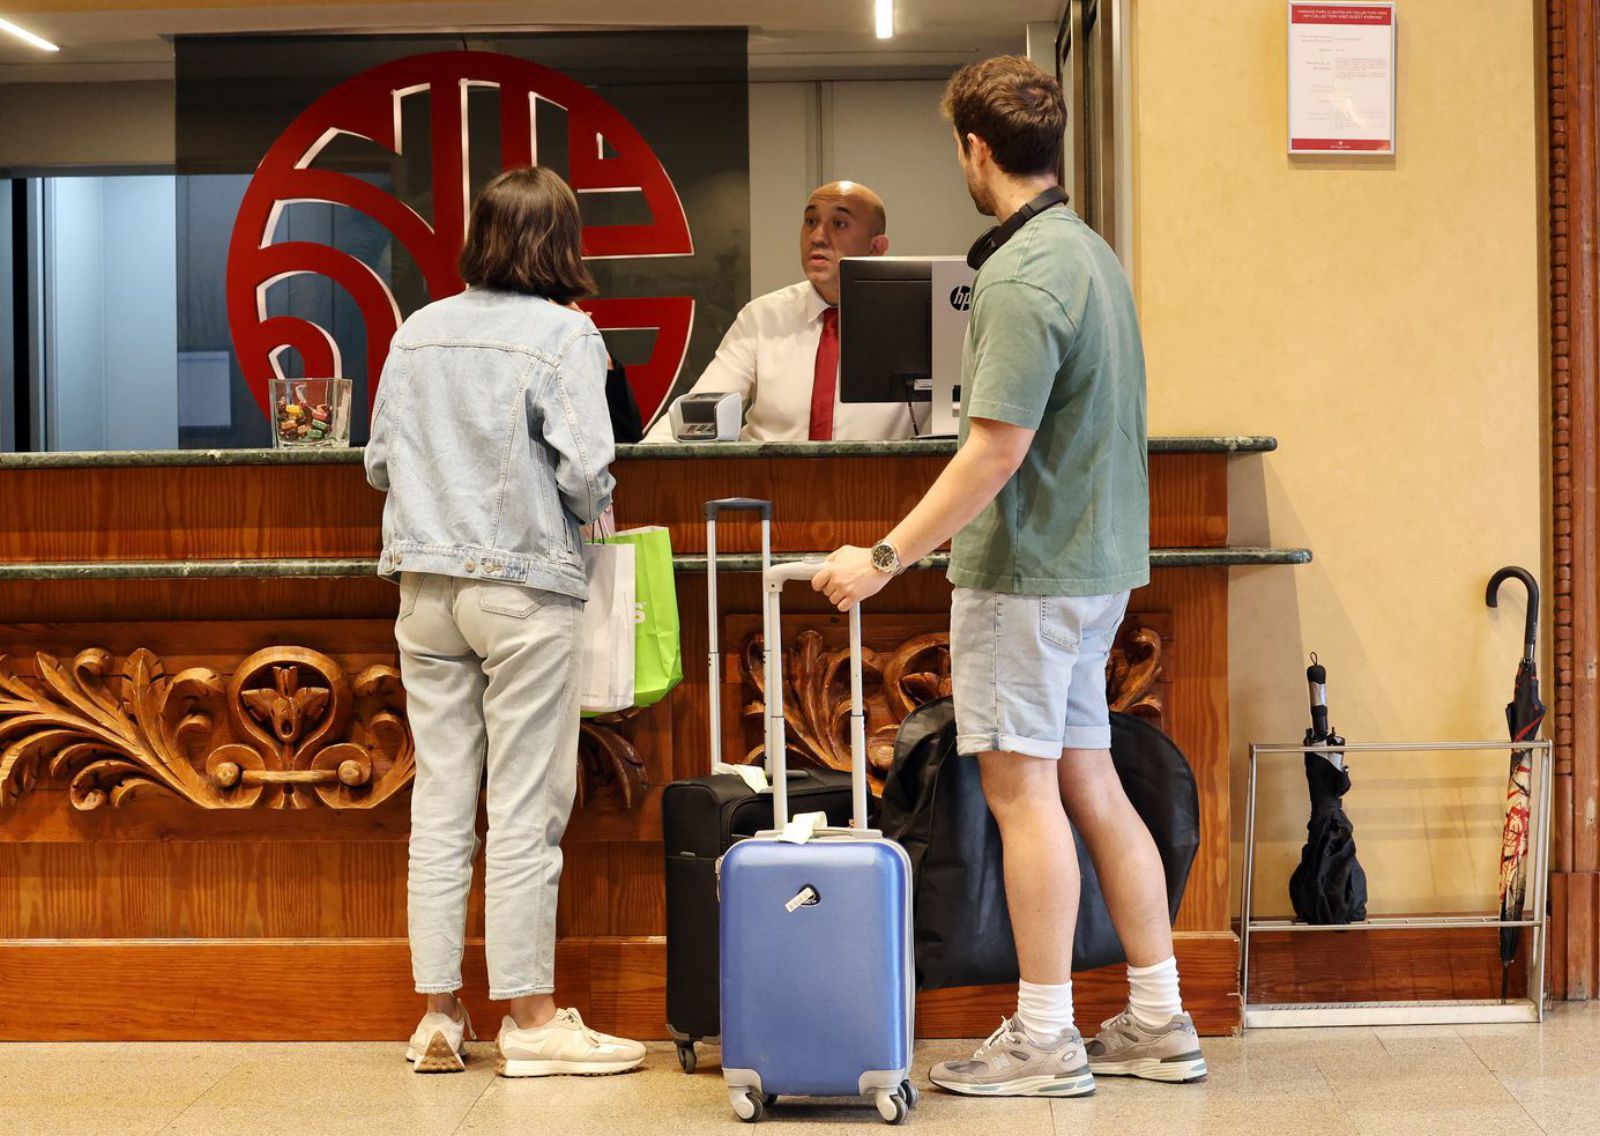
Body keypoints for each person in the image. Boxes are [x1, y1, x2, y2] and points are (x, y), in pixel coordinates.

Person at [811, 56, 1206, 1097]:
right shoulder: (1087, 254)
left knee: (1023, 791)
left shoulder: (1023, 275)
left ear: (974, 150)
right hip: (1094, 568)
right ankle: (1158, 1016)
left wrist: (881, 555)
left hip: (1029, 578)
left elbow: (992, 449)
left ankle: (1044, 1033)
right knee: (1088, 778)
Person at [365, 166, 647, 1078]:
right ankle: (530, 1018)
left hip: (424, 588)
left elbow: (377, 464)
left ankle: (441, 1016)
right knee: (526, 807)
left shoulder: (415, 331)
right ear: (562, 243)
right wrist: (586, 516)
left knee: (443, 802)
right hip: (525, 587)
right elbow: (587, 472)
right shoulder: (566, 333)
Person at [643, 180, 926, 441]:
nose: (818, 237)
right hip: (769, 486)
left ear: (876, 248)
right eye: (811, 221)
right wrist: (647, 460)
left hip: (876, 487)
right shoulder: (762, 318)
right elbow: (700, 411)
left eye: (839, 224)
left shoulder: (917, 323)